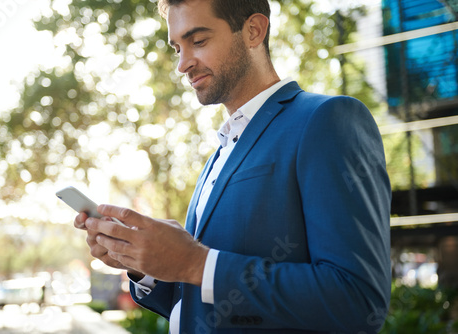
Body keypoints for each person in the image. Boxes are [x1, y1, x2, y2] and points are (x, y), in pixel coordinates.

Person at [74, 0, 392, 333]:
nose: (183, 64)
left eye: (198, 41)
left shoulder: (326, 120)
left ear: (254, 30)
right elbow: (201, 300)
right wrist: (143, 261)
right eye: (177, 48)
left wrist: (195, 263)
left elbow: (357, 300)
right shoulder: (219, 154)